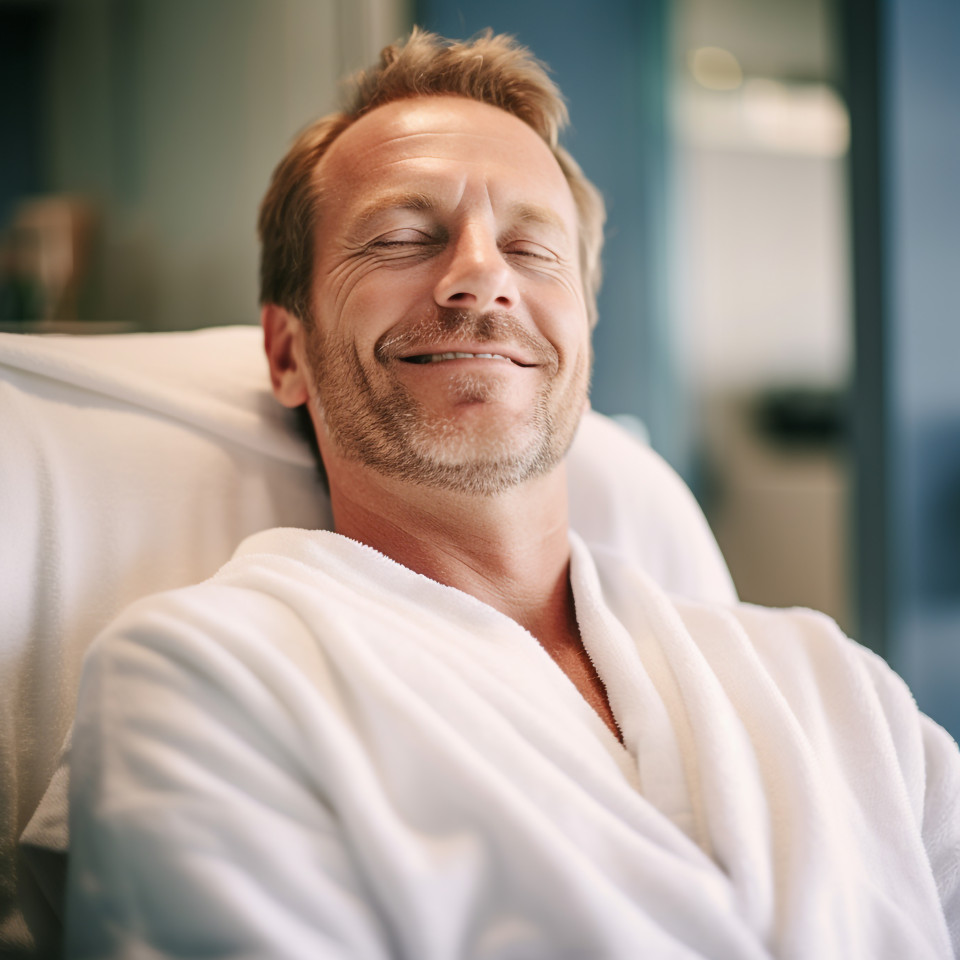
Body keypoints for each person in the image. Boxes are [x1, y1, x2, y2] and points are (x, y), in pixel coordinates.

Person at [65, 28, 959, 959]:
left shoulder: (834, 687)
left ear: (583, 331)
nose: (483, 275)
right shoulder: (206, 681)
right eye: (403, 237)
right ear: (287, 351)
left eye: (533, 249)